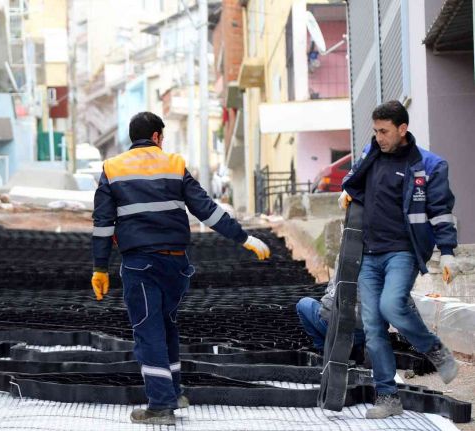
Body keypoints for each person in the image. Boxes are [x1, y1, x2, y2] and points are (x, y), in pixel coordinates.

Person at [90, 112, 271, 425]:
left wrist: (100, 268)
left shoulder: (112, 169)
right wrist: (244, 238)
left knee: (148, 332)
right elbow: (206, 209)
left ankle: (161, 406)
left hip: (140, 264)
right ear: (158, 136)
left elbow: (103, 224)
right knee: (166, 324)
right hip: (176, 264)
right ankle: (173, 392)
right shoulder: (174, 164)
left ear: (133, 138)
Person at [340, 100, 459, 419]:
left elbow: (441, 210)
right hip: (369, 253)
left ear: (402, 129)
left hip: (402, 252)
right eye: (375, 130)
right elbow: (354, 180)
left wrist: (447, 252)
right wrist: (347, 191)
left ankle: (434, 349)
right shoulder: (371, 154)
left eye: (384, 131)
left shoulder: (429, 166)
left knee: (391, 305)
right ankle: (388, 397)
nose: (378, 137)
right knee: (374, 326)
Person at [296, 257, 366, 363]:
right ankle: (357, 349)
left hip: (338, 330)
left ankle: (323, 350)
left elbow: (331, 291)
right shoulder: (379, 262)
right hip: (366, 333)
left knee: (303, 304)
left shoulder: (345, 255)